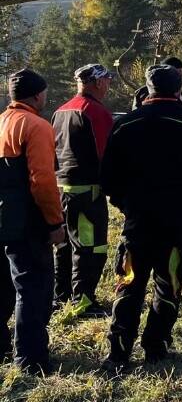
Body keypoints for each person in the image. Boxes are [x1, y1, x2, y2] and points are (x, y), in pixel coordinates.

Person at [99, 65, 182, 373]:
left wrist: (127, 205)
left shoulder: (124, 125)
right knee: (168, 283)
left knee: (129, 283)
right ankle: (156, 348)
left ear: (148, 88)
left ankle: (117, 353)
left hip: (137, 220)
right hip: (177, 220)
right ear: (178, 89)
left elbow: (107, 179)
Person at [0, 69, 64, 374]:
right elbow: (42, 180)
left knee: (3, 283)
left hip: (3, 216)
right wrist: (54, 223)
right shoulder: (36, 125)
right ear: (38, 94)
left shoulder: (2, 121)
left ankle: (3, 346)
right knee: (33, 287)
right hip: (28, 220)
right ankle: (30, 359)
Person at [51, 63, 115, 317]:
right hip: (87, 191)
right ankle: (84, 301)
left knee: (64, 245)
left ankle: (61, 295)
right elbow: (106, 154)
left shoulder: (60, 110)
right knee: (90, 247)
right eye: (107, 80)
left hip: (59, 188)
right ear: (98, 82)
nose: (109, 85)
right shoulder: (95, 112)